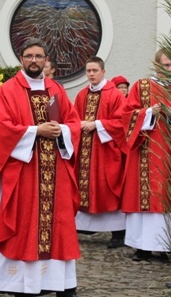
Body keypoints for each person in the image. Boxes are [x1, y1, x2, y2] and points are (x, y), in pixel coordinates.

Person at [0, 38, 81, 297]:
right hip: (22, 175)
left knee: (57, 227)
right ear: (21, 59)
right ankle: (24, 287)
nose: (34, 60)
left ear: (46, 60)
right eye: (29, 56)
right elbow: (0, 131)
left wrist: (62, 130)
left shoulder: (56, 88)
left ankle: (58, 284)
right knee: (23, 228)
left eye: (39, 56)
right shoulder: (8, 91)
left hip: (54, 175)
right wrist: (36, 131)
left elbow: (74, 123)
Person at [121, 50, 171, 262]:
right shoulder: (141, 86)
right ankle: (142, 247)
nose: (169, 70)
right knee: (146, 196)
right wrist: (148, 113)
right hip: (146, 149)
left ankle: (169, 248)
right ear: (156, 65)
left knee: (170, 197)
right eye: (165, 65)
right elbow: (127, 115)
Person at [74, 57, 127, 248]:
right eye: (88, 71)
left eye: (95, 70)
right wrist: (77, 125)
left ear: (103, 72)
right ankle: (84, 227)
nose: (91, 74)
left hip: (105, 151)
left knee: (108, 189)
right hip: (85, 152)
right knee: (84, 189)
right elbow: (73, 118)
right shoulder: (81, 95)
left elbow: (122, 122)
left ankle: (118, 233)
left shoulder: (115, 95)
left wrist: (96, 124)